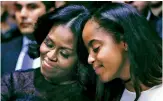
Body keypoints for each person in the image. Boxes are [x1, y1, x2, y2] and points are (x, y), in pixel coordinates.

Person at [1, 5, 93, 101]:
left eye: (64, 53)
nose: (50, 55)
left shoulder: (91, 95)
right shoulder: (13, 82)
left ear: (82, 58)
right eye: (49, 44)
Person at [80, 3, 162, 101]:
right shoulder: (108, 95)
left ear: (125, 41)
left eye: (96, 48)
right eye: (87, 52)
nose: (90, 59)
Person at [1, 1, 54, 76]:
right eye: (19, 8)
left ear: (50, 12)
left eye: (32, 7)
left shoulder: (62, 52)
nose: (22, 14)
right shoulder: (3, 50)